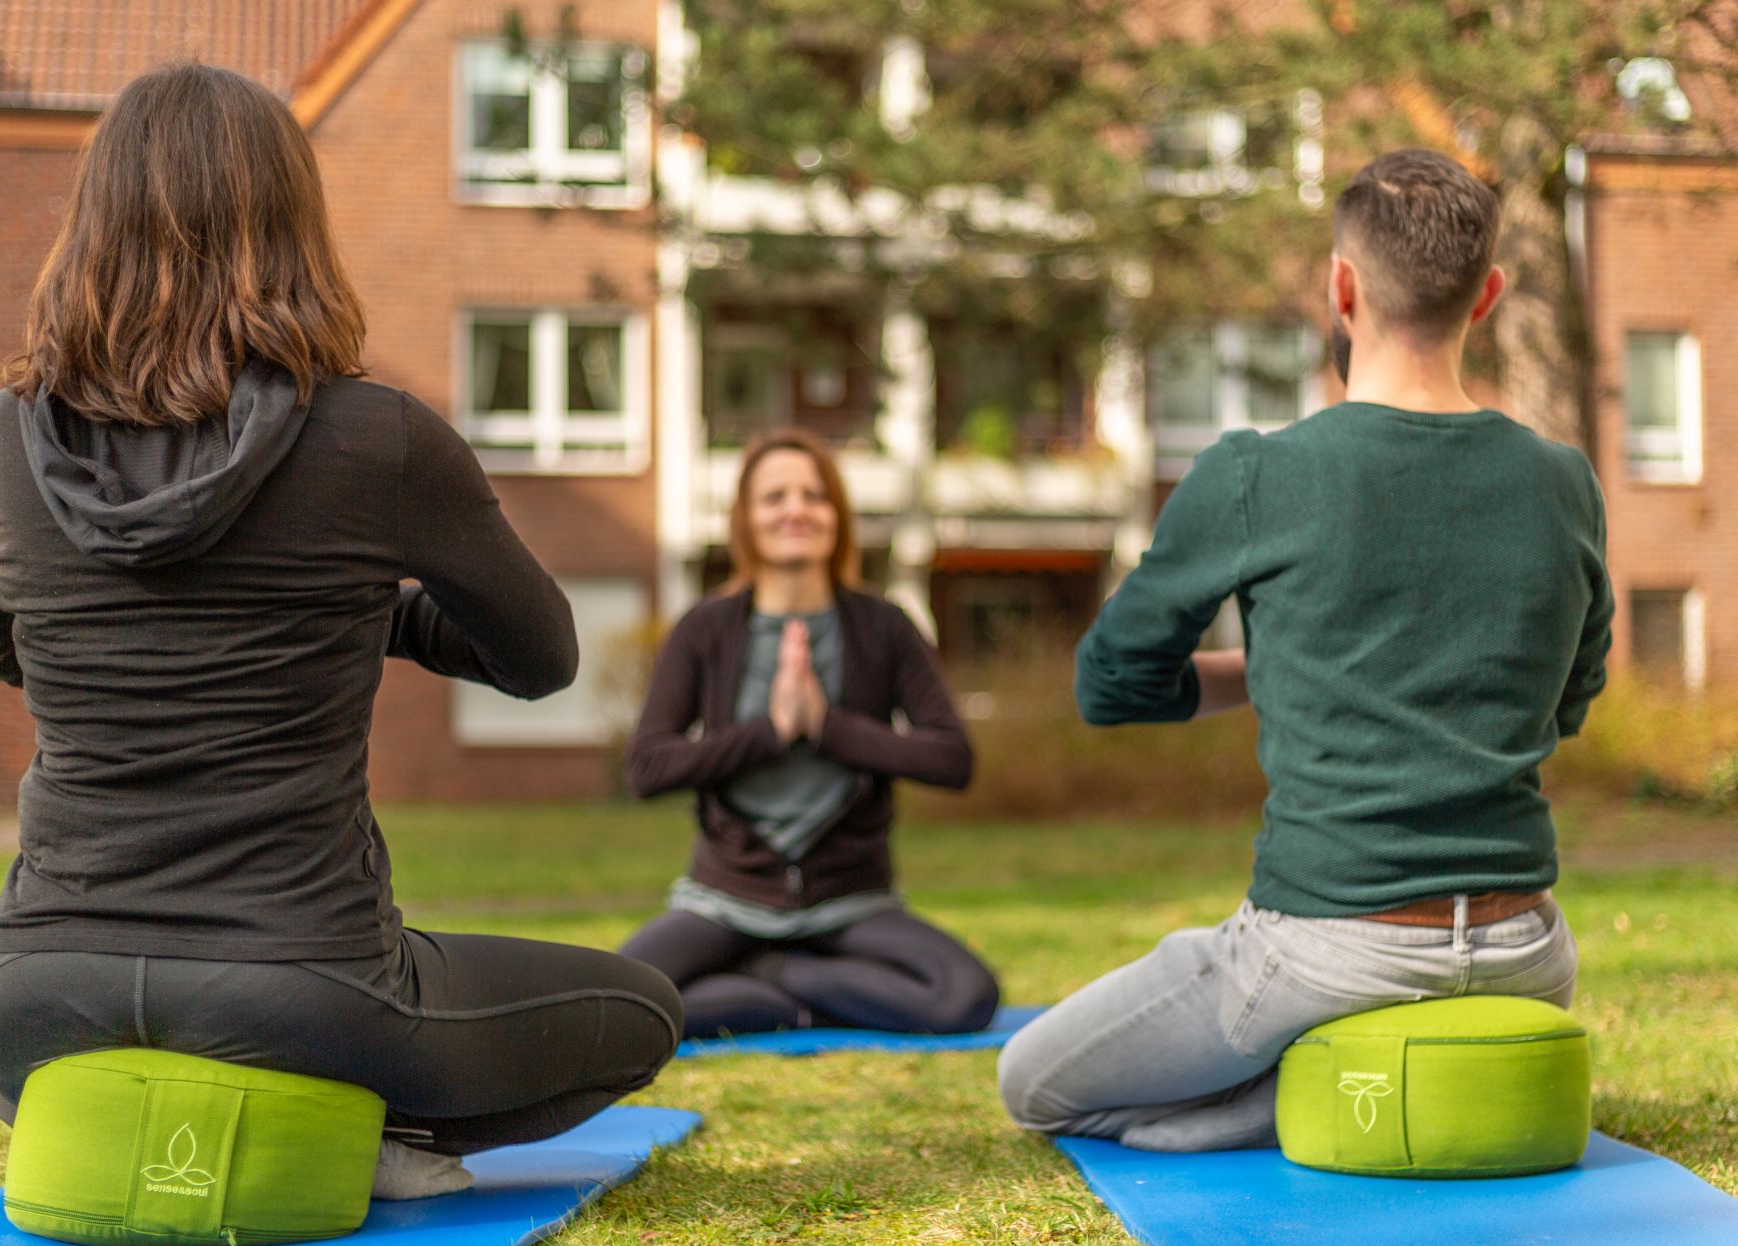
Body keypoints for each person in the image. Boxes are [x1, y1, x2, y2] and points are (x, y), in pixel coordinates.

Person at [0, 63, 680, 1200]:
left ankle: (140, 1103)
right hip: (306, 992)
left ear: (90, 226)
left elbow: (9, 650)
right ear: (292, 225)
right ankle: (348, 1129)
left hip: (33, 992)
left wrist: (313, 612)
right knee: (642, 1009)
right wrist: (369, 613)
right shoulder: (377, 438)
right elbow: (540, 658)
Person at [997, 148, 1613, 1152]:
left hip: (1330, 949)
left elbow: (1111, 682)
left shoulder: (1257, 472)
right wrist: (1294, 668)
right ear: (1488, 295)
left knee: (1032, 1080)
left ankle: (1270, 1094)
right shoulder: (1563, 479)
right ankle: (1298, 1078)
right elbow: (1567, 700)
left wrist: (1252, 676)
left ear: (1340, 285)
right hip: (1527, 949)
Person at [618, 429, 1001, 1039]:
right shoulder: (705, 629)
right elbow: (646, 770)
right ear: (745, 519)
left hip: (852, 903)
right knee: (617, 1000)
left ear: (837, 517)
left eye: (814, 495)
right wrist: (770, 732)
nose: (796, 509)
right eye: (775, 497)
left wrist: (826, 726)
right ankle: (792, 988)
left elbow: (952, 759)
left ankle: (775, 979)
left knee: (965, 998)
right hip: (726, 901)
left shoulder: (885, 627)